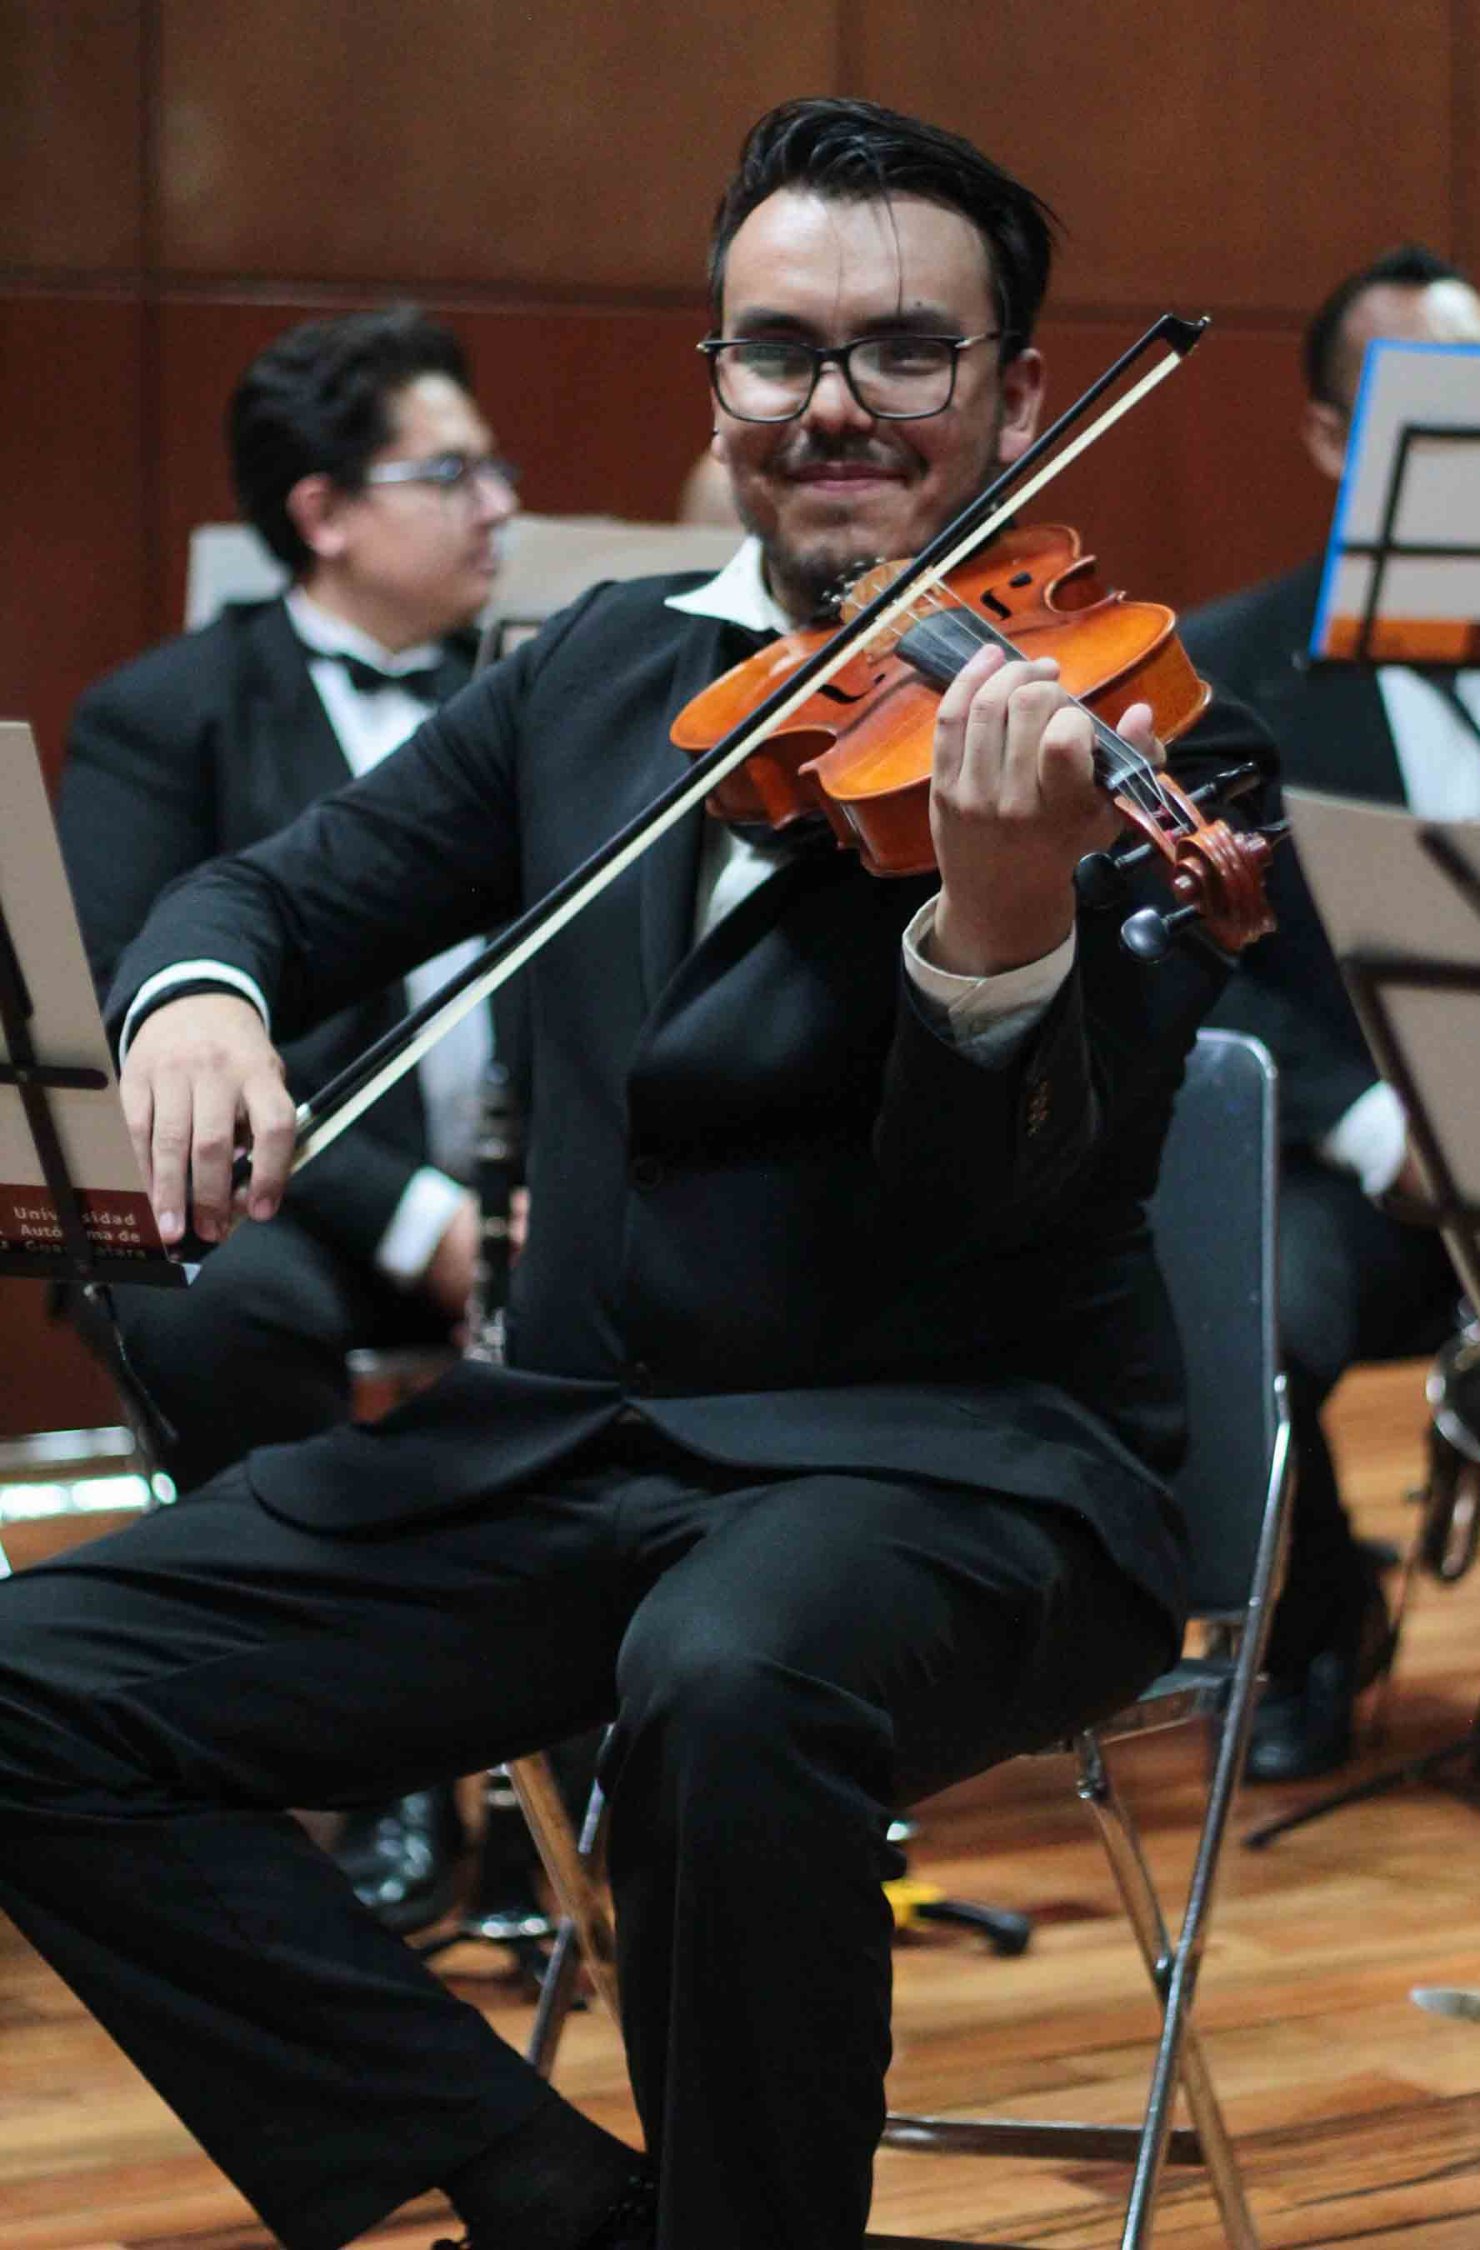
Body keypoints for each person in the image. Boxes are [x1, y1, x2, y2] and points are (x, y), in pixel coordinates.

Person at [0, 98, 1271, 2250]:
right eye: (778, 351)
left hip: (966, 1463)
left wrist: (997, 933)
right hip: (588, 1441)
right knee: (36, 1685)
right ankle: (539, 2189)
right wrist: (196, 1000)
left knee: (729, 1673)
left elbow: (1010, 1211)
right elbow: (267, 892)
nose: (833, 406)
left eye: (907, 351)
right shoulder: (596, 670)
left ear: (1019, 394)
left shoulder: (1147, 747)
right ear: (720, 383)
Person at [55, 305, 520, 1924]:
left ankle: (602, 1735)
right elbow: (119, 1009)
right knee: (213, 1312)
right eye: (450, 473)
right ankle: (383, 1755)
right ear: (322, 513)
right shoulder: (167, 711)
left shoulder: (540, 687)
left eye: (494, 465)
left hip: (517, 1188)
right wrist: (416, 1217)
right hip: (282, 1205)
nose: (500, 504)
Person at [1183, 246, 1480, 1781]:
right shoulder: (1228, 670)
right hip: (1357, 1167)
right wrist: (1379, 1120)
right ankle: (1312, 1617)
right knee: (1249, 1299)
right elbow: (1194, 954)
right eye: (1427, 405)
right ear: (1329, 438)